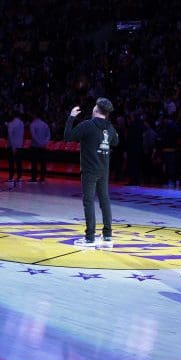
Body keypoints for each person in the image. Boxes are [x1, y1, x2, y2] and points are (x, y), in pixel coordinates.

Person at [64, 97, 119, 248]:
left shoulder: (88, 125)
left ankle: (90, 237)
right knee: (104, 201)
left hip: (89, 170)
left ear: (96, 109)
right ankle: (107, 236)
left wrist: (71, 118)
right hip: (104, 169)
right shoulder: (110, 127)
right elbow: (115, 142)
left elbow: (67, 137)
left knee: (89, 201)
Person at [28, 111, 50, 182]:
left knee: (34, 163)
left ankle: (34, 178)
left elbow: (33, 135)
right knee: (43, 163)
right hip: (43, 147)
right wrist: (44, 143)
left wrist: (39, 143)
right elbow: (48, 135)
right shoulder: (45, 124)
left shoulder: (32, 124)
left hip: (35, 146)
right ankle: (42, 178)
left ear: (34, 116)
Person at [6, 110, 24, 182]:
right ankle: (19, 177)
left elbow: (10, 136)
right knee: (19, 162)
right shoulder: (21, 123)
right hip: (19, 145)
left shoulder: (11, 124)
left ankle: (11, 177)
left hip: (12, 146)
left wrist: (13, 147)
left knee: (11, 162)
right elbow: (22, 135)